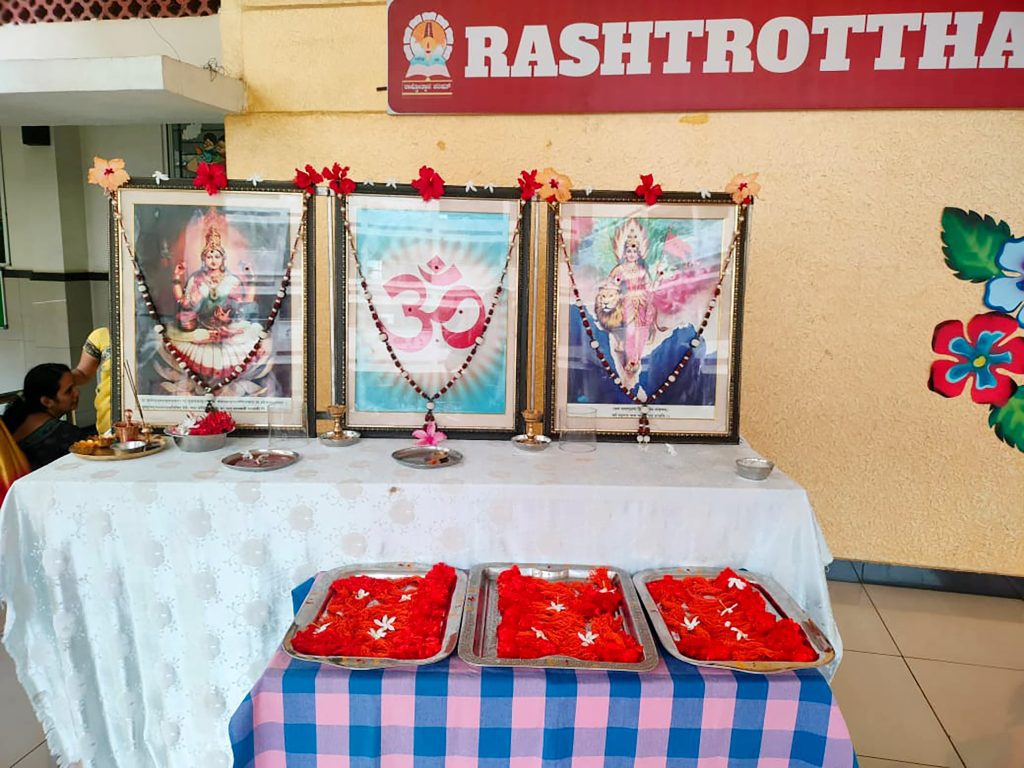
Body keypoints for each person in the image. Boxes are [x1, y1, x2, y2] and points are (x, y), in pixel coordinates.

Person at [172, 223, 255, 339]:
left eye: (217, 257)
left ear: (223, 259)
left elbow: (245, 305)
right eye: (209, 257)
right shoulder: (196, 279)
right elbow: (184, 303)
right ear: (204, 259)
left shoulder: (232, 280)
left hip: (228, 329)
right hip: (200, 329)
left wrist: (251, 279)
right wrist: (176, 276)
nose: (213, 261)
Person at [1, 363, 90, 470]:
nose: (77, 392)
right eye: (68, 391)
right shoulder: (64, 435)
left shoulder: (14, 419)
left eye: (74, 385)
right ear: (47, 401)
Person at [71, 326, 111, 434]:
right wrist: (57, 376)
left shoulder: (155, 333)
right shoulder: (101, 335)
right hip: (110, 415)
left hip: (150, 408)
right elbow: (83, 373)